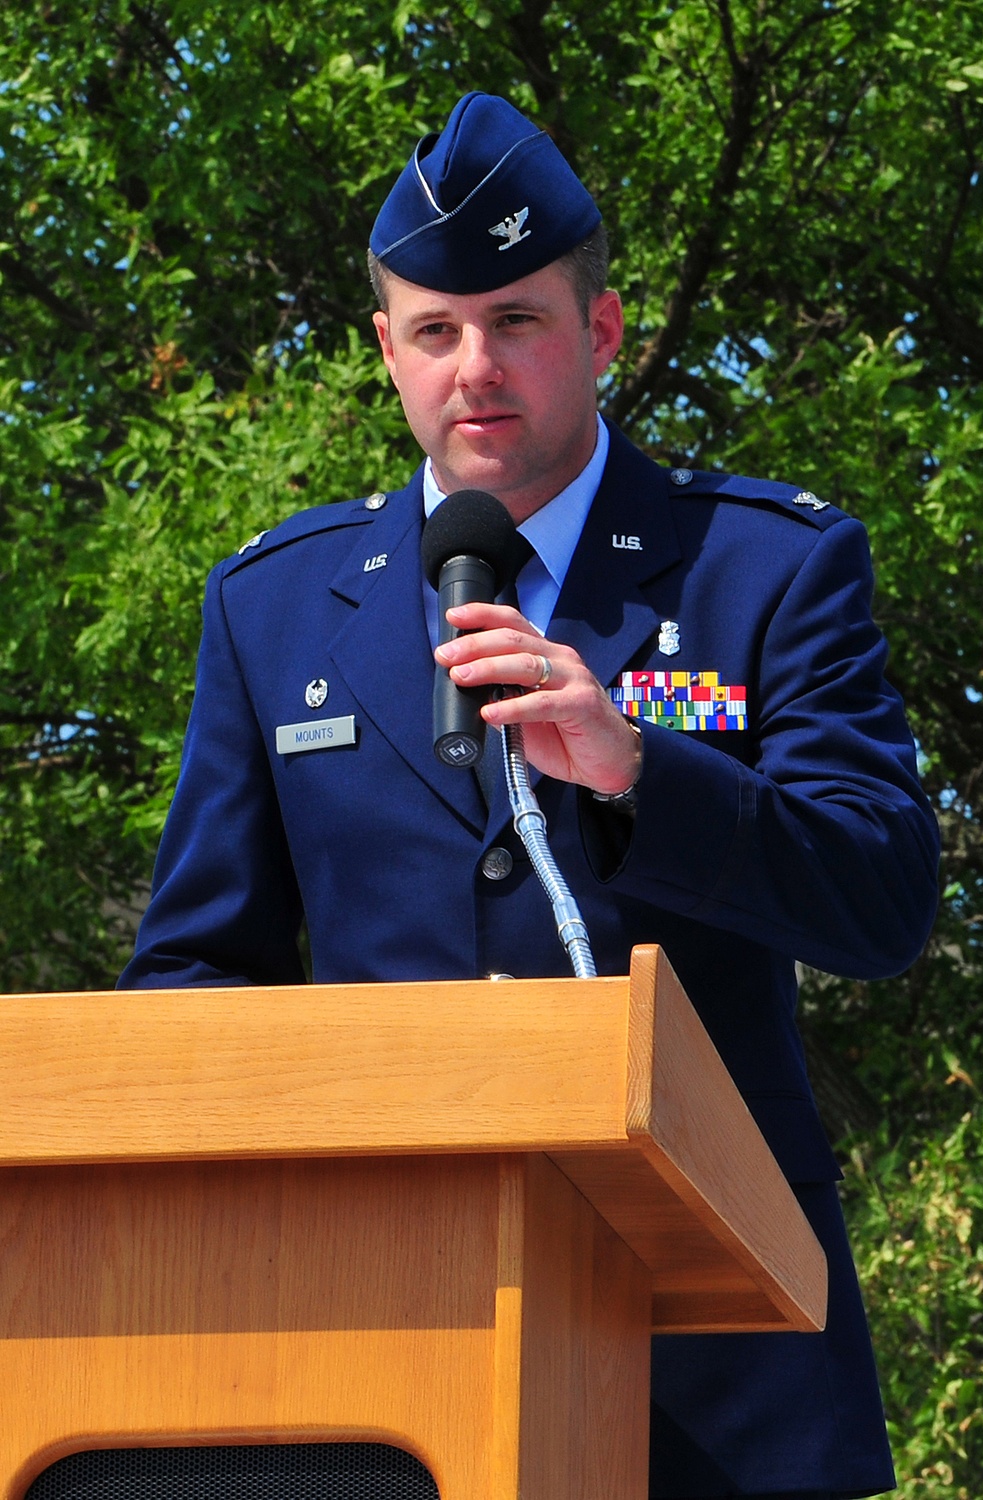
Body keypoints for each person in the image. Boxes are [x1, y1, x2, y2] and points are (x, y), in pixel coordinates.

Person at [120, 92, 940, 1498]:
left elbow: (882, 897)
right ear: (387, 351)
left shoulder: (763, 569)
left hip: (720, 1375)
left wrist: (636, 766)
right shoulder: (275, 609)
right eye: (434, 331)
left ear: (602, 332)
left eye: (516, 321)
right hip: (378, 1357)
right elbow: (200, 971)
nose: (474, 368)